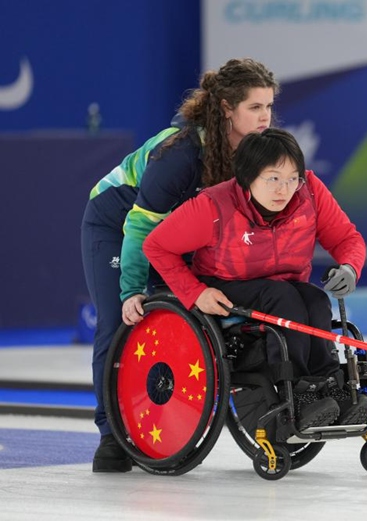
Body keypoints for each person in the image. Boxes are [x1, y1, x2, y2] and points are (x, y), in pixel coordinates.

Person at [81, 58, 279, 473]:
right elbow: (140, 227)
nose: (266, 118)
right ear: (227, 108)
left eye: (269, 107)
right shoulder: (181, 152)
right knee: (120, 320)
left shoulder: (255, 150)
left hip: (173, 236)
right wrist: (132, 290)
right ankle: (112, 436)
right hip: (117, 224)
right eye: (255, 108)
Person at [143, 128, 367, 440]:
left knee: (317, 300)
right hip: (226, 283)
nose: (285, 189)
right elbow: (156, 245)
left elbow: (347, 238)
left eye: (292, 178)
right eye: (273, 178)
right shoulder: (213, 206)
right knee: (283, 298)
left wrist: (350, 267)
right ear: (248, 177)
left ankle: (331, 387)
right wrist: (196, 293)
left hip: (282, 286)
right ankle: (296, 391)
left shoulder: (311, 193)